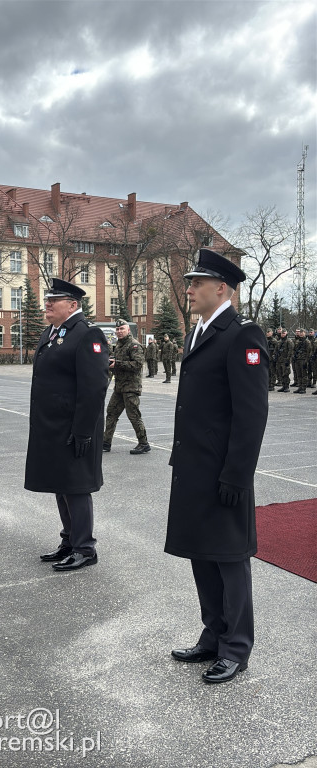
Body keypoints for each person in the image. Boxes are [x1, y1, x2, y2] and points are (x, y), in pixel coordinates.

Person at [165, 248, 269, 684]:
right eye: (190, 283)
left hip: (224, 471)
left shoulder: (242, 335)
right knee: (201, 553)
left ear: (222, 288)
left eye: (196, 283)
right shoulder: (198, 332)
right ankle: (213, 635)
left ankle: (236, 648)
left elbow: (251, 414)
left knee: (229, 558)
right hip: (194, 466)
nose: (189, 290)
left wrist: (237, 475)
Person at [24, 278, 109, 571]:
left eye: (54, 300)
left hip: (75, 427)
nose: (47, 304)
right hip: (54, 427)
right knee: (61, 484)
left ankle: (85, 548)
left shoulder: (87, 334)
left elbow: (94, 387)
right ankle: (69, 541)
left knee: (76, 487)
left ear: (72, 305)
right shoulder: (52, 332)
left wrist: (83, 431)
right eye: (47, 299)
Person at [103, 319, 150, 455]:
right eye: (117, 329)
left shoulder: (134, 345)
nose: (119, 331)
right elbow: (117, 362)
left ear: (128, 330)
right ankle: (106, 443)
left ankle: (144, 443)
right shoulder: (119, 345)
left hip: (131, 388)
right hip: (119, 387)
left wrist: (117, 364)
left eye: (122, 329)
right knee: (111, 413)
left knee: (133, 415)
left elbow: (137, 364)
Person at [292, 329, 311, 394]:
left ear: (305, 333)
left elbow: (309, 352)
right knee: (299, 374)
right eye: (300, 332)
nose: (301, 333)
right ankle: (300, 387)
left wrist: (306, 361)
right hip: (297, 359)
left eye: (302, 332)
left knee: (304, 375)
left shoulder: (307, 342)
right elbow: (294, 349)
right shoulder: (298, 341)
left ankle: (303, 388)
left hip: (303, 360)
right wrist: (294, 356)